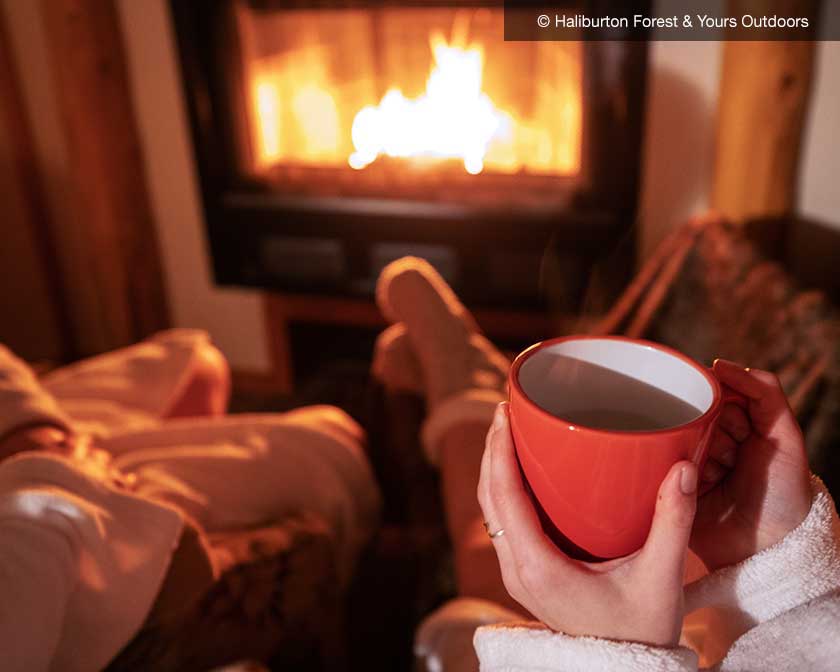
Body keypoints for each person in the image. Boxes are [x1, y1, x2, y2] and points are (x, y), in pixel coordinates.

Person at [371, 257, 840, 671]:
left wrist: (607, 651)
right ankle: (465, 377)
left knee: (472, 601)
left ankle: (462, 375)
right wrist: (773, 566)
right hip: (685, 617)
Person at [0, 329, 380, 672]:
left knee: (197, 361)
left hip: (26, 454)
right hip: (44, 501)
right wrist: (62, 468)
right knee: (330, 442)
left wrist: (35, 430)